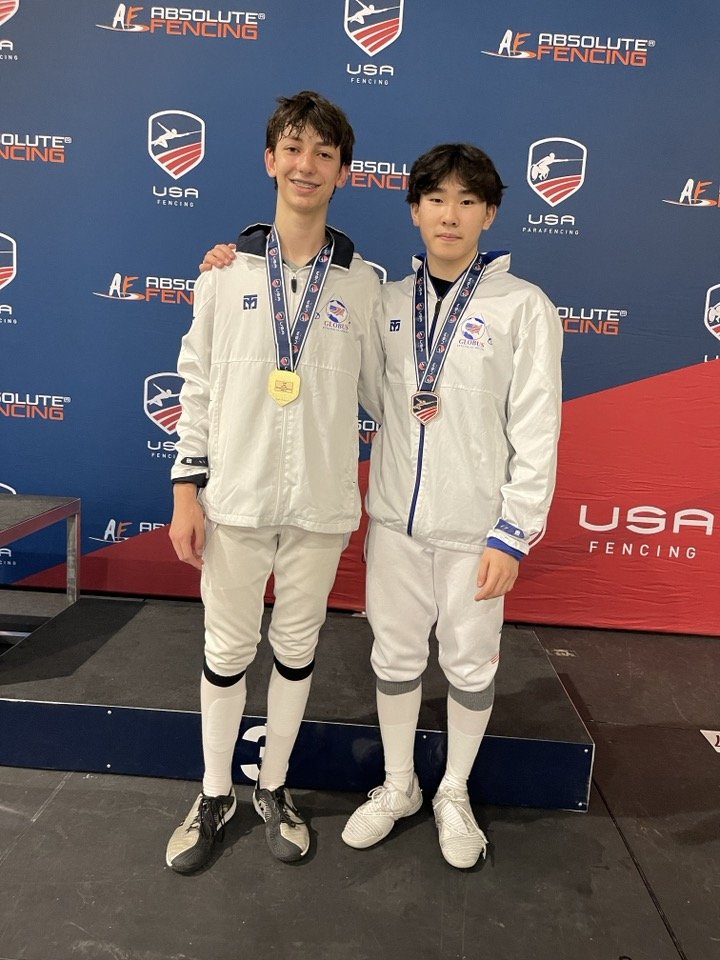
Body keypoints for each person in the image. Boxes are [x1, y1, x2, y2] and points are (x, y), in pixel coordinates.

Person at [200, 142, 563, 870]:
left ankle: (452, 791)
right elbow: (344, 382)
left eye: (466, 201)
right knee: (395, 657)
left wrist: (513, 534)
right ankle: (398, 785)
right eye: (435, 200)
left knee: (467, 666)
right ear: (415, 211)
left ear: (490, 212)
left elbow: (538, 428)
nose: (449, 215)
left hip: (476, 531)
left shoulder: (524, 309)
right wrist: (231, 262)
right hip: (393, 520)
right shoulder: (382, 298)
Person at [166, 90, 384, 874]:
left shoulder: (364, 283)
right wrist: (186, 489)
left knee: (296, 650)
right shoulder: (224, 274)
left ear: (342, 173)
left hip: (322, 509)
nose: (307, 165)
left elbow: (388, 395)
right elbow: (195, 387)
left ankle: (274, 787)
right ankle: (214, 789)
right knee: (226, 651)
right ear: (270, 160)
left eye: (324, 154)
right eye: (294, 149)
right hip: (236, 502)